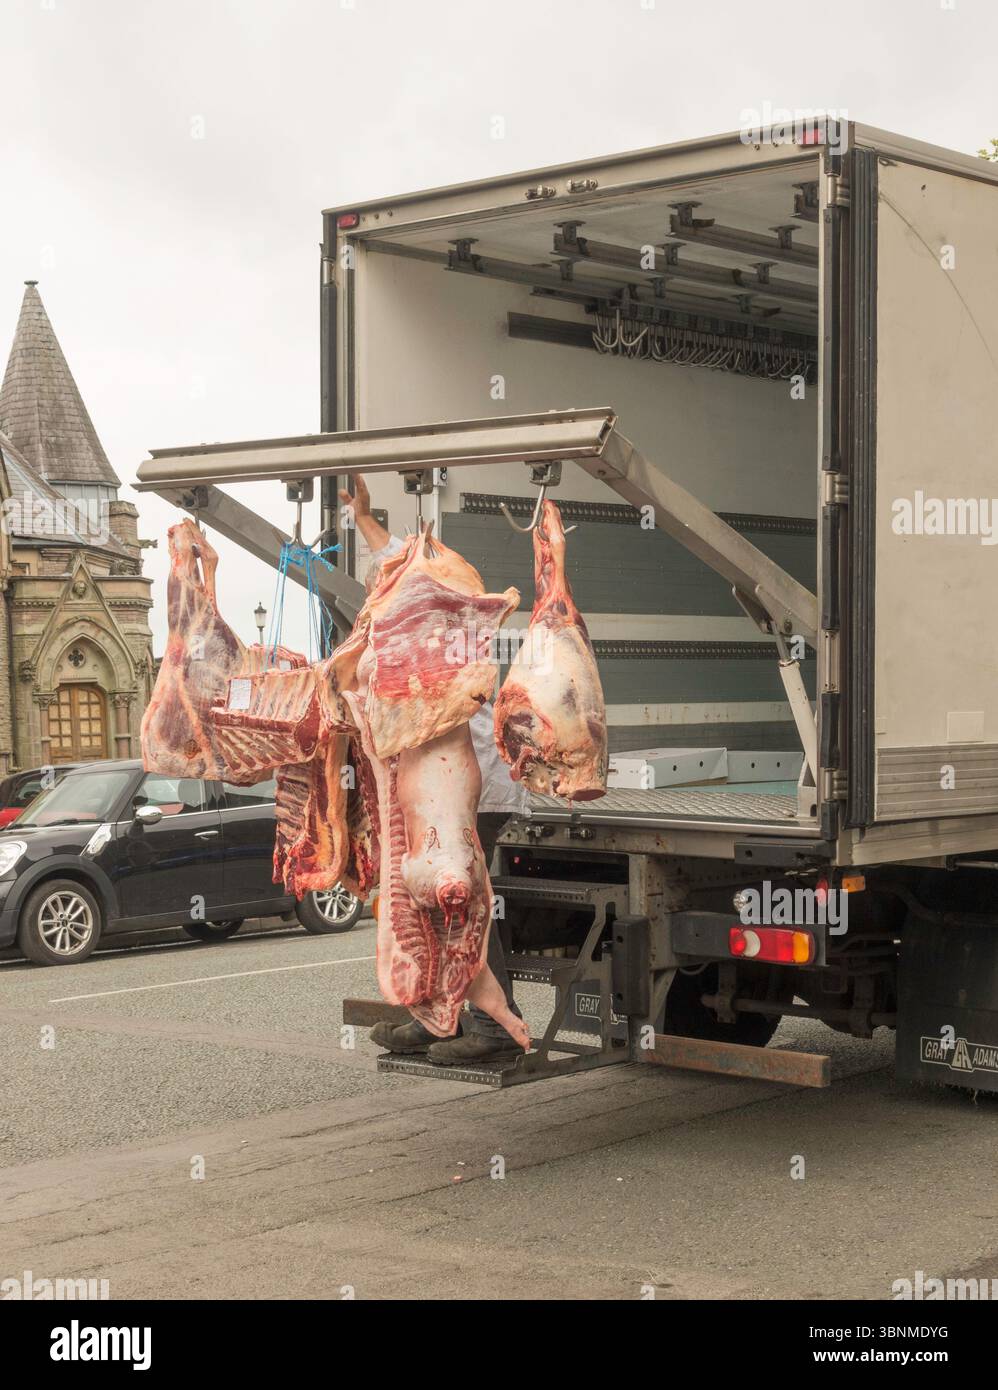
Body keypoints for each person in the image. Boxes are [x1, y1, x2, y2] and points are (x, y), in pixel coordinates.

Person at [341, 475, 528, 1067]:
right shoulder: (415, 623)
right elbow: (400, 566)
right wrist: (366, 518)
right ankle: (435, 1015)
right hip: (428, 791)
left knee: (464, 902)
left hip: (475, 793)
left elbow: (411, 575)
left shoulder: (452, 630)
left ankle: (492, 1027)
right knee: (419, 901)